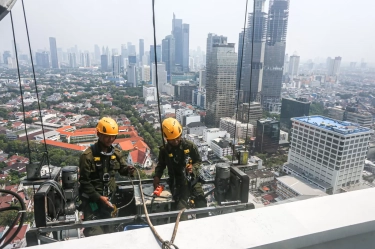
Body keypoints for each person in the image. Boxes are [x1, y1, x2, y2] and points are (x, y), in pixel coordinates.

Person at [79, 117, 134, 237]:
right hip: (93, 203)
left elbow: (123, 170)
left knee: (109, 233)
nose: (110, 139)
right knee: (95, 234)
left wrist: (129, 170)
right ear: (98, 134)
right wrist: (99, 197)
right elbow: (84, 182)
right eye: (107, 136)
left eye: (113, 136)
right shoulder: (87, 156)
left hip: (109, 201)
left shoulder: (116, 154)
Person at [153, 118, 207, 220]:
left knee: (202, 205)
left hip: (193, 180)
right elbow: (161, 165)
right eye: (172, 139)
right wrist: (157, 177)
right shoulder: (164, 151)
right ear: (167, 138)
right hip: (177, 183)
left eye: (178, 137)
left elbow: (198, 161)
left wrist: (192, 168)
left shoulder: (189, 146)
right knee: (180, 213)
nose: (176, 141)